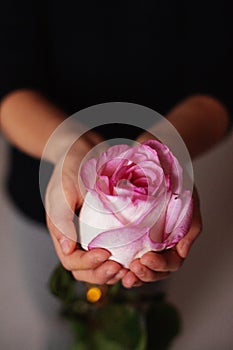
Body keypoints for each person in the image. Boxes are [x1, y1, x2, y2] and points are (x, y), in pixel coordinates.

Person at [0, 1, 232, 290]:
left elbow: (220, 81)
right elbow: (9, 81)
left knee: (144, 312)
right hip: (47, 191)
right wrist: (72, 147)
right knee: (54, 310)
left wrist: (162, 151)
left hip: (154, 233)